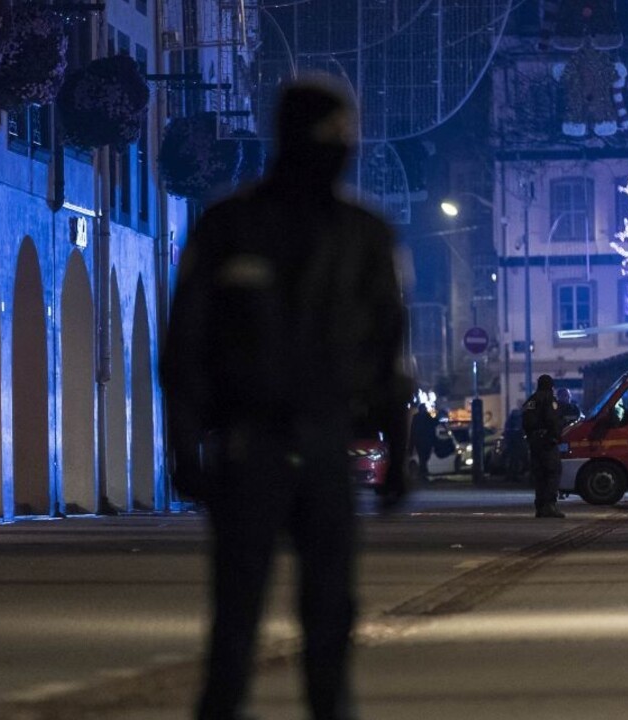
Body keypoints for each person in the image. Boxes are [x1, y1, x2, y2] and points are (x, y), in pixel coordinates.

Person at [162, 75, 412, 720]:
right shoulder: (235, 226)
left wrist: (397, 450)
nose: (337, 151)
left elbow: (388, 348)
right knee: (242, 615)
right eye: (331, 138)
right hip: (258, 441)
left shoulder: (359, 234)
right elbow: (186, 344)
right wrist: (184, 443)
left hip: (314, 443)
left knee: (322, 614)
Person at [521, 374, 566, 518]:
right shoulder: (549, 399)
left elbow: (525, 421)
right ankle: (550, 505)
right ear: (550, 386)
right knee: (553, 472)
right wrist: (555, 436)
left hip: (534, 442)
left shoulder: (531, 400)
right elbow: (552, 419)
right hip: (547, 441)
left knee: (539, 474)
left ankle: (540, 506)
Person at [409, 404, 438, 482]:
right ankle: (423, 472)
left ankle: (422, 472)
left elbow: (434, 424)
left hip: (425, 440)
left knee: (424, 457)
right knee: (423, 457)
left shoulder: (426, 416)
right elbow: (413, 429)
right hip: (421, 440)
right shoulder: (418, 417)